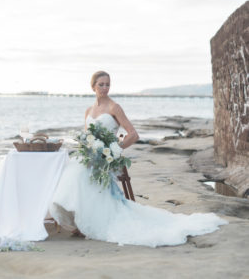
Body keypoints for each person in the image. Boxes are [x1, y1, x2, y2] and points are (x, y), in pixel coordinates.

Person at [49, 71, 227, 247]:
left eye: (107, 84)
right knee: (72, 169)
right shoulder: (88, 110)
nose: (105, 88)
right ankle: (79, 221)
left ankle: (87, 223)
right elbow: (88, 135)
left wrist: (113, 150)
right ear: (93, 86)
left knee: (80, 173)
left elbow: (133, 135)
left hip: (105, 159)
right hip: (90, 156)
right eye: (101, 84)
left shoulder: (114, 107)